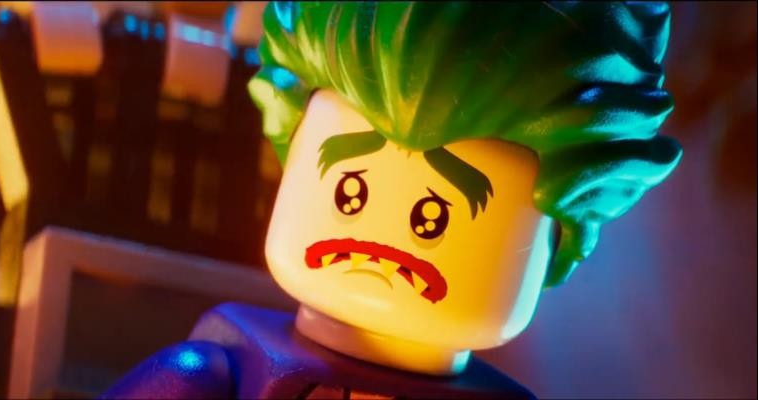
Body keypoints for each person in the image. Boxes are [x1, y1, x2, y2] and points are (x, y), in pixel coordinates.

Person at [102, 2, 682, 399]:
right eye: (350, 190)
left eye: (433, 216)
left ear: (560, 241)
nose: (375, 249)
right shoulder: (213, 377)